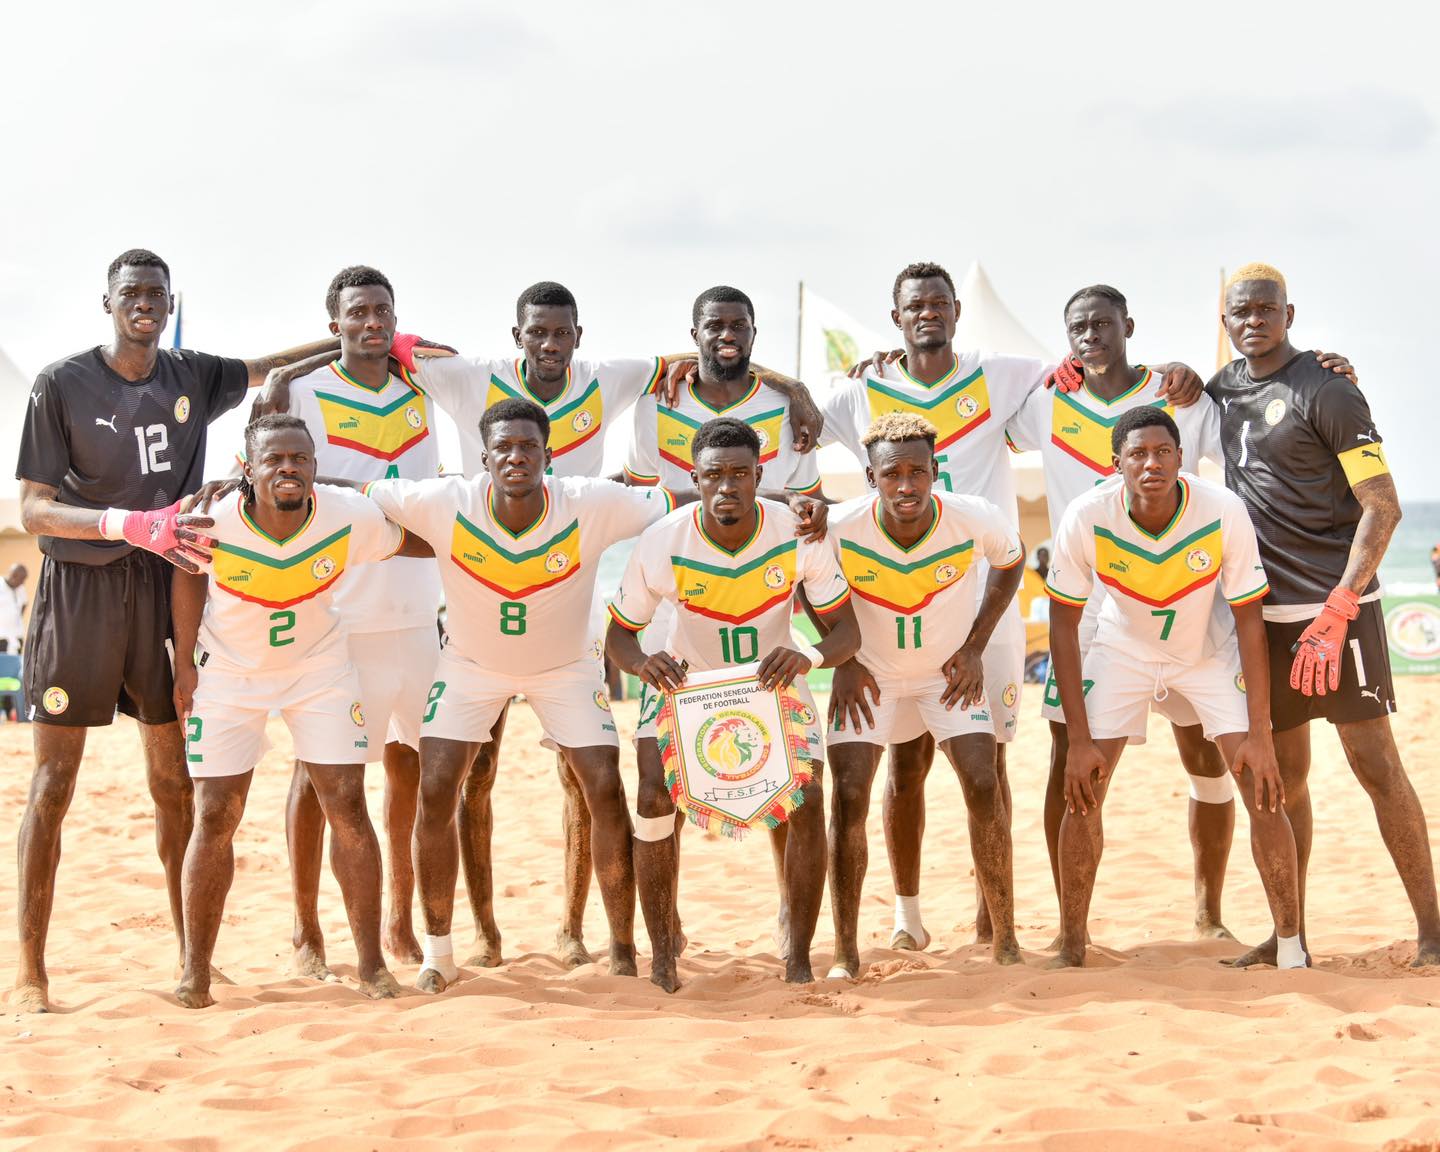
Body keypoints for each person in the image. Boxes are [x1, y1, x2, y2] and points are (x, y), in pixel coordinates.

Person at [260, 279, 823, 968]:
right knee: (460, 780)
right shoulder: (461, 424)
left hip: (568, 640)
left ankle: (604, 938)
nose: (550, 344)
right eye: (537, 333)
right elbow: (370, 374)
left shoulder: (596, 449)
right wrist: (279, 414)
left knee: (595, 785)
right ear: (517, 338)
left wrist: (791, 395)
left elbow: (709, 374)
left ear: (577, 339)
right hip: (463, 644)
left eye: (562, 333)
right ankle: (470, 938)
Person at [13, 248, 340, 1012]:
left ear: (168, 302)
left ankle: (192, 956)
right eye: (132, 294)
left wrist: (358, 347)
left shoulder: (189, 373)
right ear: (108, 303)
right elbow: (31, 509)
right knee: (53, 784)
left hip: (163, 591)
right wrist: (130, 522)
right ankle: (30, 970)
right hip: (80, 590)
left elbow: (267, 367)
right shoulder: (61, 382)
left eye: (157, 294)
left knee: (172, 782)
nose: (146, 305)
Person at [360, 397, 677, 991]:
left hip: (565, 668)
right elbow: (357, 493)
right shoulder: (443, 500)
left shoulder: (592, 502)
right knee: (436, 789)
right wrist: (246, 480)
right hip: (471, 667)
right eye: (503, 447)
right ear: (483, 458)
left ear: (548, 454)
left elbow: (680, 502)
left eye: (529, 446)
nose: (516, 456)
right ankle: (439, 953)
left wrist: (796, 505)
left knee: (606, 791)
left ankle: (624, 950)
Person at [1208, 263, 1440, 967]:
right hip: (1264, 618)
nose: (1253, 321)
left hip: (1338, 614)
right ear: (1225, 323)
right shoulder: (1218, 391)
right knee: (1282, 780)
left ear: (1289, 313)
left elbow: (1383, 505)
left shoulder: (1328, 389)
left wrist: (1341, 607)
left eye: (1266, 309)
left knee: (1377, 769)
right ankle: (1289, 938)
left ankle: (1433, 932)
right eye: (1239, 312)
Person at [1006, 284, 1239, 940]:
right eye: (1077, 326)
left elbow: (1240, 435)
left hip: (1180, 600)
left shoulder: (1180, 397)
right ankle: (1068, 925)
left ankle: (1209, 912)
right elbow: (966, 399)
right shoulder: (1047, 401)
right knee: (1068, 756)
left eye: (1102, 324)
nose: (1090, 336)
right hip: (1084, 609)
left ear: (1127, 325)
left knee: (1204, 752)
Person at [170, 414, 428, 1007]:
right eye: (274, 460)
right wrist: (183, 661)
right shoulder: (212, 517)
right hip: (232, 674)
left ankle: (370, 968)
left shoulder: (347, 515)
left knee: (347, 803)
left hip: (319, 668)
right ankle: (195, 973)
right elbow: (185, 577)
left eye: (300, 459)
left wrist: (479, 542)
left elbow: (408, 541)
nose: (288, 469)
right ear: (248, 468)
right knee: (216, 813)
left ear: (314, 466)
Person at [606, 417, 860, 991]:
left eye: (740, 475)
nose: (727, 487)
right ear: (694, 479)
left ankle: (797, 953)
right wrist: (643, 663)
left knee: (808, 795)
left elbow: (847, 634)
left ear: (759, 476)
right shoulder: (663, 539)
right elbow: (620, 637)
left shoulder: (796, 533)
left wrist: (809, 657)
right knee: (651, 794)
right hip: (686, 683)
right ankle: (664, 949)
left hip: (769, 682)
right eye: (713, 476)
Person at [1045, 405, 1302, 968]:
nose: (1151, 464)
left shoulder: (1221, 508)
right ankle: (1071, 945)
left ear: (1183, 458)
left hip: (1205, 653)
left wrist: (1260, 732)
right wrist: (1079, 740)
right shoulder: (1087, 516)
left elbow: (1249, 619)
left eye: (1163, 452)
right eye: (1137, 454)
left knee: (1260, 781)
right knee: (1084, 787)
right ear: (1117, 465)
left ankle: (1289, 947)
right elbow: (1063, 627)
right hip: (1123, 651)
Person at [247, 266, 443, 976]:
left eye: (384, 312)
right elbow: (271, 470)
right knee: (320, 774)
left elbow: (456, 361)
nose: (373, 322)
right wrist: (311, 357)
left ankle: (397, 919)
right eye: (357, 312)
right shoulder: (299, 390)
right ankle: (305, 929)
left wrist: (410, 348)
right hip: (338, 612)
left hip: (419, 607)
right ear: (334, 323)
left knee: (411, 771)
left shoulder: (421, 385)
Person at [824, 413, 1026, 977]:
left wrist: (977, 644)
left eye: (919, 471)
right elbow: (807, 585)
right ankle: (848, 950)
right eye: (893, 474)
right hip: (872, 676)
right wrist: (841, 658)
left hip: (946, 675)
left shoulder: (972, 517)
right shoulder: (841, 527)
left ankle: (1006, 938)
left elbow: (1010, 563)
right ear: (871, 477)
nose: (907, 485)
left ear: (937, 471)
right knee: (848, 795)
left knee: (985, 783)